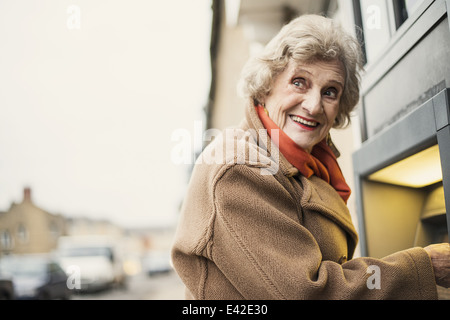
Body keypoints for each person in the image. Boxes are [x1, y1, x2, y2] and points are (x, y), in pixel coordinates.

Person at [171, 14, 450, 299]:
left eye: (330, 92)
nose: (314, 105)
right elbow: (307, 293)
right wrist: (423, 268)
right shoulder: (240, 168)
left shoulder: (306, 162)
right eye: (299, 82)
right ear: (266, 85)